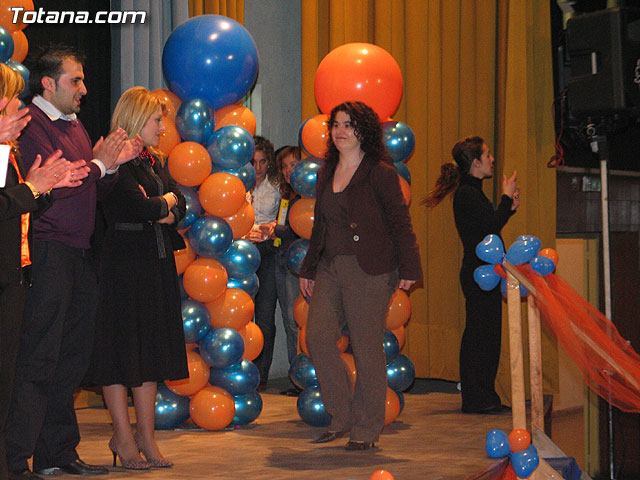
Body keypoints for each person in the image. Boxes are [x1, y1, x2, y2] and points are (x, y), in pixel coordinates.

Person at [5, 45, 140, 478]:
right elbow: (56, 186)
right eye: (75, 80)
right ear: (48, 83)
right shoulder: (31, 124)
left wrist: (110, 168)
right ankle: (16, 458)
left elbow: (90, 190)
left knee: (73, 358)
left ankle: (57, 452)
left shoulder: (75, 125)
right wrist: (98, 164)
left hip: (80, 253)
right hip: (47, 252)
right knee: (40, 358)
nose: (83, 88)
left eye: (82, 79)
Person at [299, 101, 422, 450]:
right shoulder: (326, 171)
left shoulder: (380, 173)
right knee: (318, 338)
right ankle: (342, 415)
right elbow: (320, 227)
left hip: (370, 269)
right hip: (330, 266)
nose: (340, 131)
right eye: (336, 124)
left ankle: (366, 428)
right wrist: (309, 268)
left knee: (366, 348)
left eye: (348, 125)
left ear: (363, 130)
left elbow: (400, 222)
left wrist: (410, 268)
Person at [88, 86, 188, 470]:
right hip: (122, 267)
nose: (162, 127)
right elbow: (134, 206)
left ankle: (147, 436)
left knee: (150, 352)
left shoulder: (154, 159)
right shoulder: (116, 159)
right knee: (120, 352)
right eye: (157, 119)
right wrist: (161, 206)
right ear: (136, 118)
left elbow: (179, 202)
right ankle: (123, 437)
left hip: (155, 263)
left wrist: (163, 205)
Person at [0, 63, 89, 480]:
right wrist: (35, 188)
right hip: (23, 266)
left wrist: (47, 187)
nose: (19, 109)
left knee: (24, 370)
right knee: (28, 366)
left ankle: (20, 460)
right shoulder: (13, 142)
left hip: (17, 271)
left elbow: (22, 203)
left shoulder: (11, 148)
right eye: (11, 102)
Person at [422, 136, 519, 414]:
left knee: (487, 336)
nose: (492, 159)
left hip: (485, 272)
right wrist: (505, 198)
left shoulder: (472, 192)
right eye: (487, 155)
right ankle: (477, 399)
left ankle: (483, 396)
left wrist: (508, 208)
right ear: (475, 162)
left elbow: (487, 227)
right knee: (480, 337)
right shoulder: (467, 193)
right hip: (478, 273)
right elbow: (489, 229)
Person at [246, 136, 282, 389]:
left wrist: (273, 227)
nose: (257, 168)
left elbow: (287, 219)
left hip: (268, 252)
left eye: (262, 162)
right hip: (242, 252)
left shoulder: (277, 187)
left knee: (265, 318)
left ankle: (261, 376)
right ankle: (243, 371)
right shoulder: (237, 184)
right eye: (253, 162)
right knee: (242, 316)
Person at [273, 145, 302, 396]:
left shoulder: (307, 197)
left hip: (298, 266)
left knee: (297, 322)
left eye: (293, 165)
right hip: (282, 260)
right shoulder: (286, 196)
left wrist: (275, 229)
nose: (288, 171)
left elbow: (294, 229)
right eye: (284, 167)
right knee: (288, 321)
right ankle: (297, 377)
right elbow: (283, 228)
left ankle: (305, 379)